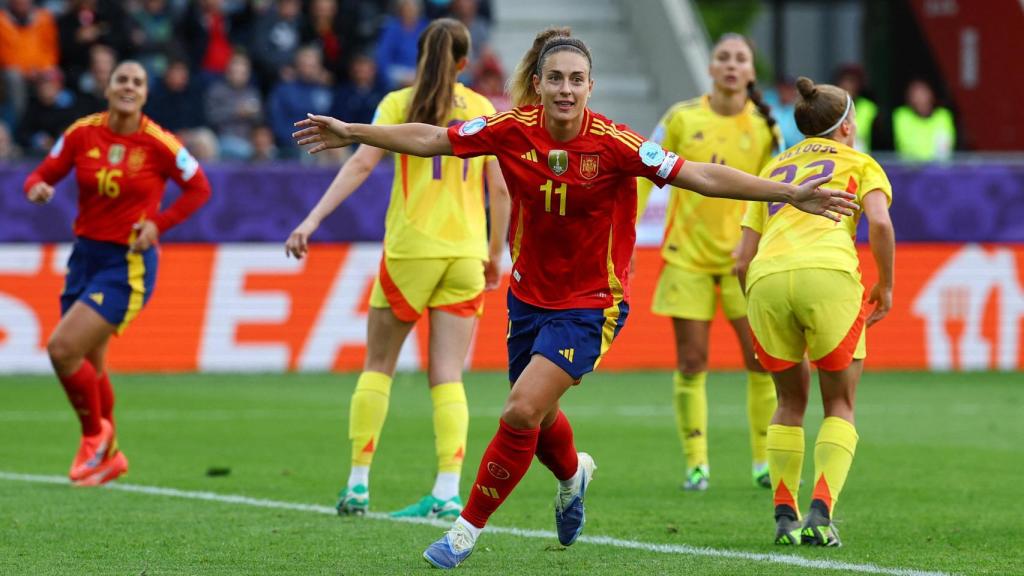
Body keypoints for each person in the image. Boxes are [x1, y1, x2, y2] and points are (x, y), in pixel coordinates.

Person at [292, 28, 856, 569]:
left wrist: (788, 193)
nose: (566, 89)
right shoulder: (511, 129)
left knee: (519, 410)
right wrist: (356, 131)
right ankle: (572, 477)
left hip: (593, 302)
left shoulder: (616, 144)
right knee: (538, 420)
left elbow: (700, 176)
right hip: (528, 298)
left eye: (577, 79)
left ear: (592, 86)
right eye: (555, 78)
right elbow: (434, 137)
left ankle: (465, 529)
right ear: (537, 84)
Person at [285, 18, 511, 521]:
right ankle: (448, 491)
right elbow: (500, 188)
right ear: (464, 61)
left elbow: (361, 166)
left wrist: (313, 218)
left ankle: (359, 485)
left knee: (378, 366)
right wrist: (495, 253)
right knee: (449, 374)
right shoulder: (481, 109)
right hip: (465, 254)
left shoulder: (397, 104)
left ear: (420, 57)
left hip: (411, 251)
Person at [22, 60, 212, 487]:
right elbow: (41, 173)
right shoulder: (80, 133)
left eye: (137, 82)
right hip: (84, 258)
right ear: (107, 88)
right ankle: (109, 457)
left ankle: (94, 438)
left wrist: (157, 225)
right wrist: (36, 187)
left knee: (62, 349)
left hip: (126, 264)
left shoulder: (159, 142)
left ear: (146, 94)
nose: (129, 86)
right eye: (122, 80)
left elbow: (200, 187)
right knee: (91, 360)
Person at [734, 76, 894, 547]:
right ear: (845, 127)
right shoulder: (860, 162)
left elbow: (741, 258)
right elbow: (880, 222)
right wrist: (885, 284)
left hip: (765, 279)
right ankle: (820, 514)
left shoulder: (774, 165)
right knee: (839, 403)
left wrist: (761, 299)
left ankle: (785, 514)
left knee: (788, 402)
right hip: (827, 276)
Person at [637, 33, 782, 493]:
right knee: (693, 361)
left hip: (744, 258)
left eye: (741, 58)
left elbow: (776, 194)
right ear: (711, 68)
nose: (732, 65)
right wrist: (626, 229)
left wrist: (764, 246)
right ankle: (697, 464)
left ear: (751, 71)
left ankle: (762, 461)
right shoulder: (681, 118)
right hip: (687, 257)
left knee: (760, 360)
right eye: (723, 57)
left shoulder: (764, 127)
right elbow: (644, 171)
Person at [892, 79, 955, 162]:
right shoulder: (902, 115)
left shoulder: (943, 116)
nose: (920, 99)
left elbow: (944, 147)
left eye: (923, 93)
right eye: (915, 95)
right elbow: (906, 147)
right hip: (909, 170)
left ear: (931, 94)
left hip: (938, 170)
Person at [835, 64, 877, 153]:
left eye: (851, 81)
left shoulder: (869, 108)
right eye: (844, 81)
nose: (847, 85)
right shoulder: (831, 106)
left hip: (862, 158)